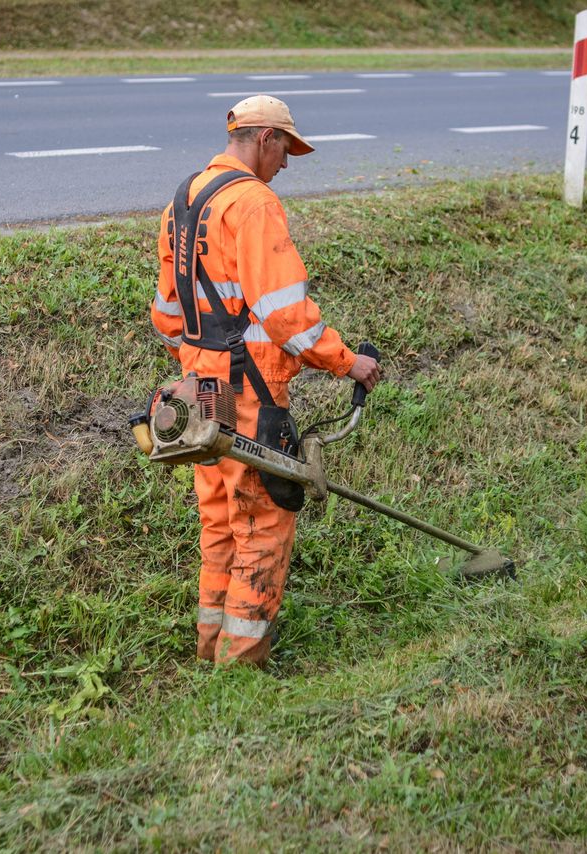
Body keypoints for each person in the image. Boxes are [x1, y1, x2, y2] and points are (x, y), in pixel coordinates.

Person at [151, 95, 381, 667]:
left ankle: (211, 648)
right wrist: (346, 361)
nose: (287, 162)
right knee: (262, 516)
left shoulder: (185, 199)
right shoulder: (253, 203)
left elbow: (166, 313)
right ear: (263, 139)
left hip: (200, 391)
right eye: (286, 148)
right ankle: (241, 663)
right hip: (248, 389)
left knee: (220, 517)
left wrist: (203, 362)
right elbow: (284, 313)